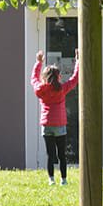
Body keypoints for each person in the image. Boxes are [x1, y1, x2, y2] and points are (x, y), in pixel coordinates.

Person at [31, 49, 80, 185]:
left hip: (46, 125)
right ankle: (63, 180)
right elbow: (74, 79)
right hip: (60, 124)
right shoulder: (62, 89)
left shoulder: (41, 90)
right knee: (61, 154)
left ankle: (51, 179)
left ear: (45, 77)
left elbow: (33, 79)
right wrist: (78, 62)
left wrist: (38, 62)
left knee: (50, 154)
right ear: (58, 77)